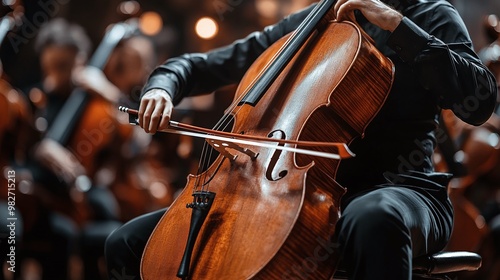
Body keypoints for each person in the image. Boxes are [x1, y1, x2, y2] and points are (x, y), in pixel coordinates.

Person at [105, 0, 498, 279]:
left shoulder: (428, 12)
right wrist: (161, 87)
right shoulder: (310, 22)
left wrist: (399, 26)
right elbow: (199, 66)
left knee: (373, 217)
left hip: (399, 189)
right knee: (126, 243)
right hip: (286, 190)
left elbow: (478, 101)